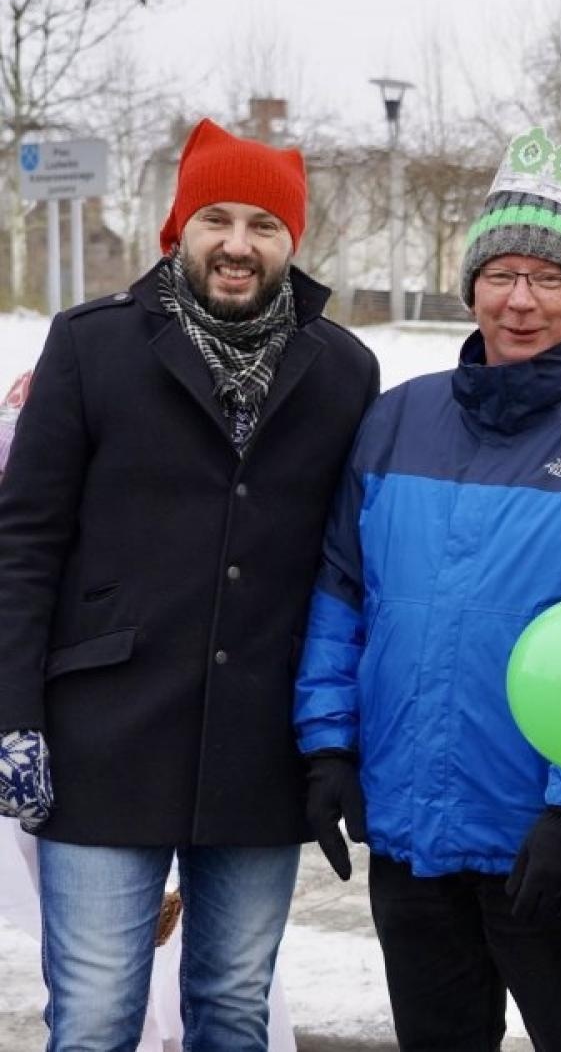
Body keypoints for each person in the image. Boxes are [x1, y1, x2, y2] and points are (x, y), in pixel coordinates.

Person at [0, 117, 379, 1050]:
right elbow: (24, 543)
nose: (239, 245)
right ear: (180, 227)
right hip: (103, 740)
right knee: (92, 1016)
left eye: (264, 224)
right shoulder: (92, 346)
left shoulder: (344, 372)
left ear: (293, 241)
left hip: (258, 748)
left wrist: (336, 739)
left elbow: (347, 565)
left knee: (233, 1007)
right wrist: (14, 713)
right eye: (217, 218)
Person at [294, 126, 561, 1052]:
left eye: (549, 279)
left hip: (543, 842)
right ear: (472, 286)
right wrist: (328, 746)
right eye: (502, 274)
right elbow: (344, 593)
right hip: (413, 827)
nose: (522, 300)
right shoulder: (396, 422)